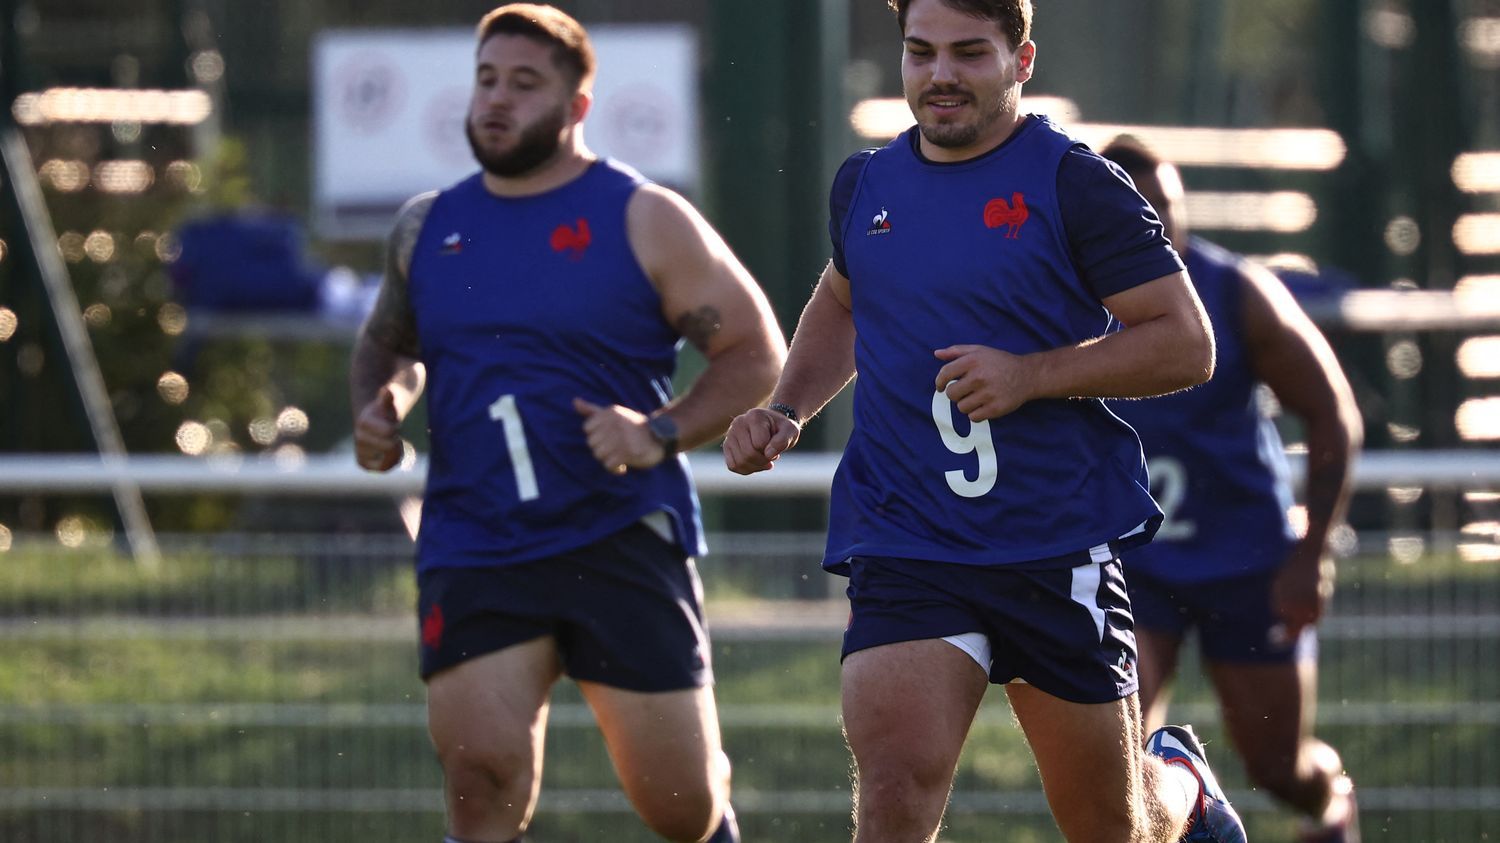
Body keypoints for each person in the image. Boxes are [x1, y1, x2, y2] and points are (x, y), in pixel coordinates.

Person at [724, 1, 1247, 840]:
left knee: (1112, 825)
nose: (940, 76)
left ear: (1022, 60)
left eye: (969, 53)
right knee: (893, 792)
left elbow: (1187, 343)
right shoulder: (866, 183)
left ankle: (1182, 785)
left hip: (1050, 540)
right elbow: (842, 297)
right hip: (907, 537)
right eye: (920, 52)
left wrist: (1032, 375)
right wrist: (786, 406)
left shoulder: (1074, 182)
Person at [349, 5, 785, 842]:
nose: (496, 102)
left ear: (577, 106)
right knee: (481, 782)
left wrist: (657, 432)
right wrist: (382, 406)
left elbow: (754, 353)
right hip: (474, 542)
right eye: (485, 81)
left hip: (615, 535)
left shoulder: (643, 215)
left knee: (682, 808)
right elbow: (389, 343)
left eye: (524, 84)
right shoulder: (426, 226)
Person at [1100, 136, 1364, 843]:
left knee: (1278, 766)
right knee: (1113, 758)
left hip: (1247, 561)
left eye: (1165, 207)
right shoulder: (1067, 302)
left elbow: (1332, 408)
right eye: (1135, 209)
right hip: (1136, 565)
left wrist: (1313, 551)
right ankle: (1188, 807)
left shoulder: (1236, 292)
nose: (1154, 223)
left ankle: (1334, 806)